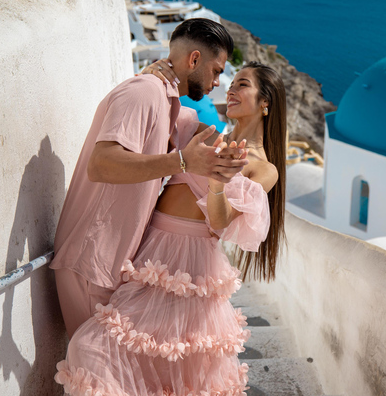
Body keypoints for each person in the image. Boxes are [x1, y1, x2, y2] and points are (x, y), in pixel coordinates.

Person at [54, 62, 287, 396]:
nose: (230, 90)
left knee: (128, 356)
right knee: (130, 356)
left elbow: (220, 223)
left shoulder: (265, 169)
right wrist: (151, 77)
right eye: (231, 83)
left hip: (190, 267)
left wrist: (217, 182)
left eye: (242, 85)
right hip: (148, 253)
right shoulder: (206, 134)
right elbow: (158, 113)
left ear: (266, 102)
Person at [51, 18, 249, 338]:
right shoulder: (143, 92)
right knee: (97, 376)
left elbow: (195, 132)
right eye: (216, 70)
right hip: (92, 261)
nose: (217, 83)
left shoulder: (166, 100)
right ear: (194, 59)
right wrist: (183, 161)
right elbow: (101, 164)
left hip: (115, 264)